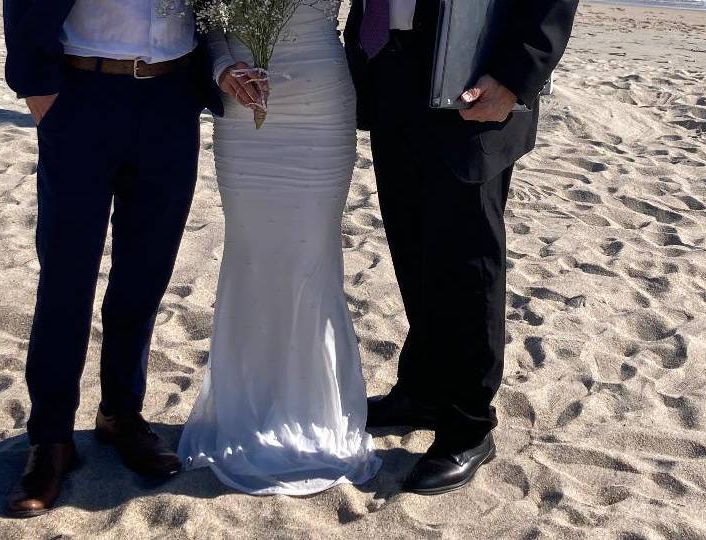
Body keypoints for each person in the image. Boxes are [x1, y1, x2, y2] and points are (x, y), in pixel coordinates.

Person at [344, 0, 578, 495]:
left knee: (467, 262)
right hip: (393, 66)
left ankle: (469, 425)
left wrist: (516, 76)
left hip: (476, 78)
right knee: (413, 247)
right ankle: (424, 390)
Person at [2, 0, 222, 517]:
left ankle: (121, 413)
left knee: (144, 273)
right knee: (65, 277)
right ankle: (51, 437)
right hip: (81, 91)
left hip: (171, 96)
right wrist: (39, 91)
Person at [176, 1, 382, 495]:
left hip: (321, 99)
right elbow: (206, 16)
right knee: (251, 253)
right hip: (241, 103)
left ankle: (311, 405)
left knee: (312, 255)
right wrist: (225, 65)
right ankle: (248, 402)